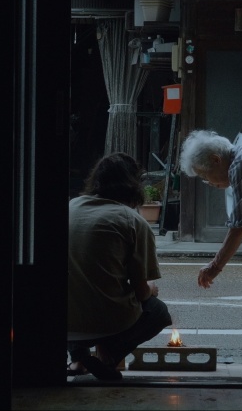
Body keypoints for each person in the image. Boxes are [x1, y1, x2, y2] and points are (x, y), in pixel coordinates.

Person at [67, 152, 173, 380]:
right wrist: (151, 289)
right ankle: (107, 358)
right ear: (134, 185)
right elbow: (142, 292)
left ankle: (78, 360)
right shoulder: (132, 221)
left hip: (64, 323)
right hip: (107, 324)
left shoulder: (71, 207)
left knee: (75, 289)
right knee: (158, 312)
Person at [179, 129, 242, 289]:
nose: (208, 182)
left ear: (216, 160)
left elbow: (240, 225)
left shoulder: (241, 164)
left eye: (204, 175)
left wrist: (215, 266)